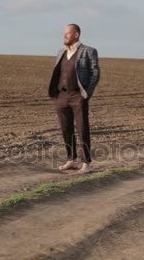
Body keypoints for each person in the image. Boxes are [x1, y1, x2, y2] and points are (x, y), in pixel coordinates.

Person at [48, 23, 100, 174]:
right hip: (62, 96)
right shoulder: (61, 52)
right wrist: (55, 93)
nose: (64, 36)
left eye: (67, 34)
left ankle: (86, 163)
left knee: (82, 128)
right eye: (64, 34)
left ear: (76, 35)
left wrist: (86, 94)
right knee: (66, 128)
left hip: (78, 96)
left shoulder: (88, 51)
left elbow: (95, 74)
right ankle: (71, 160)